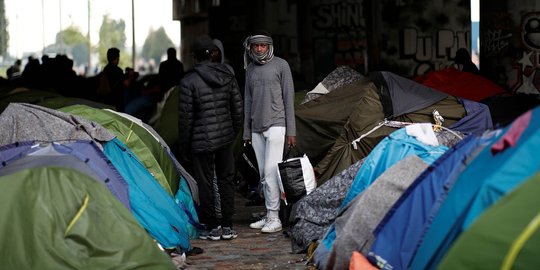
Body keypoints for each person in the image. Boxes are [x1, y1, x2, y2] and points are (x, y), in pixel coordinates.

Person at [178, 35, 243, 241]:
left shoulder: (188, 81)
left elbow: (185, 120)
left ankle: (213, 226)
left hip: (200, 141)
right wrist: (230, 133)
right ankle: (228, 224)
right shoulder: (228, 75)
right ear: (214, 54)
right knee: (226, 179)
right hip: (225, 138)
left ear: (195, 57)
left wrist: (185, 146)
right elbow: (238, 110)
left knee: (205, 182)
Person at [242, 30, 296, 233]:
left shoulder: (281, 65)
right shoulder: (250, 70)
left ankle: (275, 218)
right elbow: (247, 101)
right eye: (256, 46)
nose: (259, 49)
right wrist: (246, 131)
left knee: (271, 172)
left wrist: (291, 131)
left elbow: (289, 100)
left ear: (269, 46)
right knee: (263, 175)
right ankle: (269, 214)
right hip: (256, 127)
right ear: (251, 48)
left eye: (263, 45)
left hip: (277, 124)